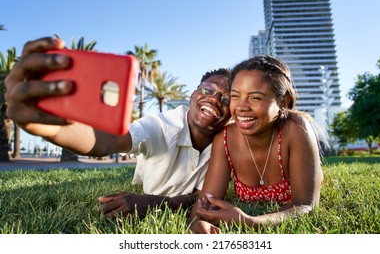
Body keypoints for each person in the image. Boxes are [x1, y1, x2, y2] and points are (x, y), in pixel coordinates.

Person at [4, 37, 232, 219]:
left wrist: (165, 203)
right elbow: (112, 139)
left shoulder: (230, 141)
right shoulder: (163, 125)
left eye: (226, 99)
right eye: (208, 90)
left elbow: (202, 196)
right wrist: (52, 129)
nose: (214, 99)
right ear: (192, 95)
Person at [189, 55, 324, 234]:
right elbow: (205, 203)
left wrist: (250, 221)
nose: (241, 107)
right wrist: (198, 223)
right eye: (235, 96)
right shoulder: (224, 139)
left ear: (282, 103)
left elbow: (306, 205)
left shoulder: (296, 129)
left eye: (255, 98)